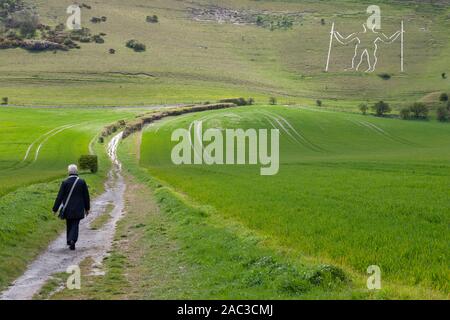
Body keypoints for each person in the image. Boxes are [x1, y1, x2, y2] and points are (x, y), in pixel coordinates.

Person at [52, 164, 90, 250]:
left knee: (69, 223)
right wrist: (87, 208)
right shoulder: (82, 182)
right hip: (79, 208)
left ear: (69, 172)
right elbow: (86, 196)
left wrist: (55, 209)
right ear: (77, 172)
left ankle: (69, 240)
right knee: (75, 224)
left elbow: (59, 197)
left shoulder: (65, 183)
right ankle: (72, 240)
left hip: (67, 208)